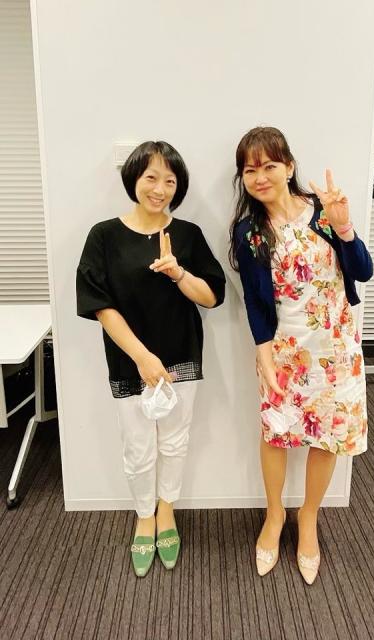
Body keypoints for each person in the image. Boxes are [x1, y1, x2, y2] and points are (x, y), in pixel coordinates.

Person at [229, 126, 373, 583]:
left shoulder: (322, 211)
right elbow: (255, 302)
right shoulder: (250, 232)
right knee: (276, 433)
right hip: (285, 352)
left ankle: (308, 516)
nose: (260, 177)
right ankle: (275, 514)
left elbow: (363, 271)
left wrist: (344, 226)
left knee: (327, 435)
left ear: (289, 166)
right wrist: (264, 355)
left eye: (269, 165)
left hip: (336, 349)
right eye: (250, 170)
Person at [76, 141, 225, 577]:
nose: (160, 189)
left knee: (175, 442)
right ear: (134, 180)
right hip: (131, 362)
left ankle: (166, 512)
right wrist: (142, 357)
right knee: (138, 446)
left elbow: (212, 297)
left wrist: (178, 272)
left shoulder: (188, 234)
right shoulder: (104, 235)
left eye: (170, 181)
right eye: (151, 178)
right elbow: (100, 305)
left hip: (181, 357)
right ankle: (144, 515)